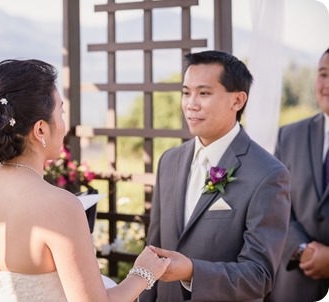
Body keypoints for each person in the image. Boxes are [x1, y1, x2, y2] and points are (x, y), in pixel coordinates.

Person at [0, 58, 170, 301]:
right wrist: (142, 274)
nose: (63, 123)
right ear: (40, 129)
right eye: (60, 111)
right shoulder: (60, 206)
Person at [139, 50, 291, 302]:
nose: (191, 103)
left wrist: (192, 271)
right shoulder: (169, 161)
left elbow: (259, 276)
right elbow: (153, 248)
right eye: (186, 93)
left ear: (238, 101)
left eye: (204, 93)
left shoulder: (268, 174)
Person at [267, 48, 329, 302]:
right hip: (294, 284)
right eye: (323, 74)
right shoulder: (289, 135)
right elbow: (274, 203)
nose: (327, 84)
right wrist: (301, 249)